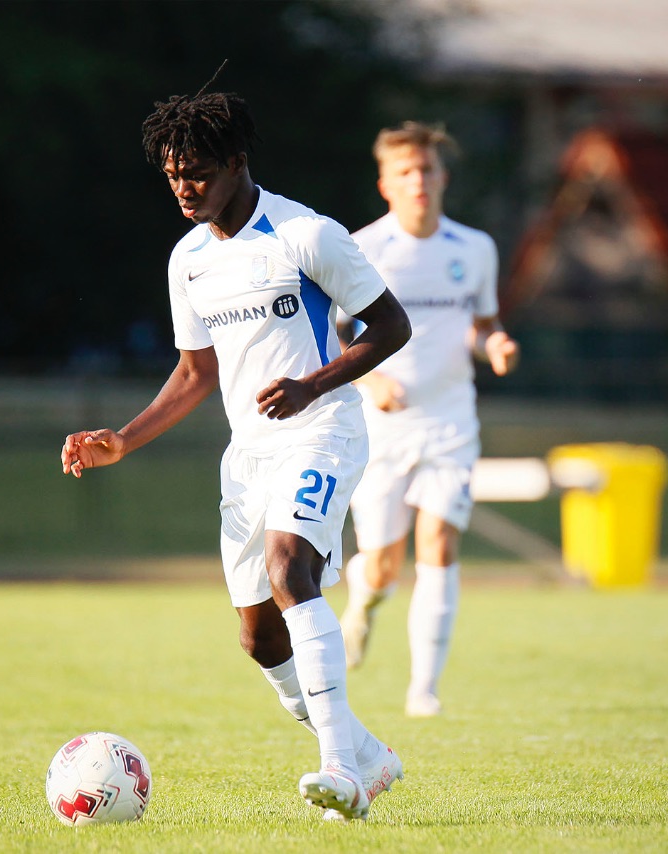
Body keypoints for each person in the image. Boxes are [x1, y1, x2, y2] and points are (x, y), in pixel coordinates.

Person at [61, 87, 411, 821]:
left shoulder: (307, 235)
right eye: (171, 175)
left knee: (290, 568)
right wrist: (123, 438)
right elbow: (196, 372)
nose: (183, 188)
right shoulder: (188, 260)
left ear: (236, 163)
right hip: (248, 455)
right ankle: (371, 758)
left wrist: (313, 385)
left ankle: (341, 771)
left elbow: (390, 326)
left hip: (323, 430)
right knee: (258, 638)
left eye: (195, 172)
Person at [337, 122, 520, 718]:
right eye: (405, 171)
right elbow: (329, 338)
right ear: (385, 184)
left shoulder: (475, 248)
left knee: (438, 543)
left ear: (443, 177)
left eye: (427, 169)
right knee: (383, 566)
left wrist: (494, 345)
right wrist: (369, 380)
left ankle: (424, 690)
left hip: (450, 422)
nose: (418, 180)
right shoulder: (361, 250)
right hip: (381, 429)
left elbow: (482, 325)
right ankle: (364, 599)